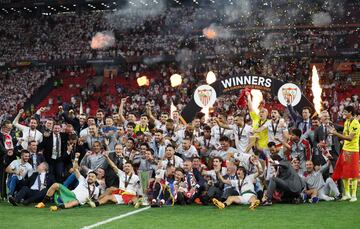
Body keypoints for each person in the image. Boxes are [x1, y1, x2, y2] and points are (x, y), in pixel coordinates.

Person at [35, 153, 99, 210]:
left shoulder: (96, 189)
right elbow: (75, 169)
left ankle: (57, 207)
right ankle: (42, 203)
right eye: (89, 176)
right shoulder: (83, 180)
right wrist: (76, 158)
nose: (90, 177)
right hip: (70, 194)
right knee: (56, 185)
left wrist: (92, 203)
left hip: (77, 201)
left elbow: (95, 199)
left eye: (92, 177)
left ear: (96, 179)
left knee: (73, 203)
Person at [330, 106, 360, 202]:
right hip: (345, 149)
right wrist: (341, 140)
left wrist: (336, 134)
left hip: (353, 150)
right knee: (344, 172)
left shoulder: (355, 123)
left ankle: (354, 195)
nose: (343, 113)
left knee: (353, 172)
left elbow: (350, 138)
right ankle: (347, 194)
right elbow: (344, 136)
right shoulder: (346, 122)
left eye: (345, 112)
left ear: (350, 112)